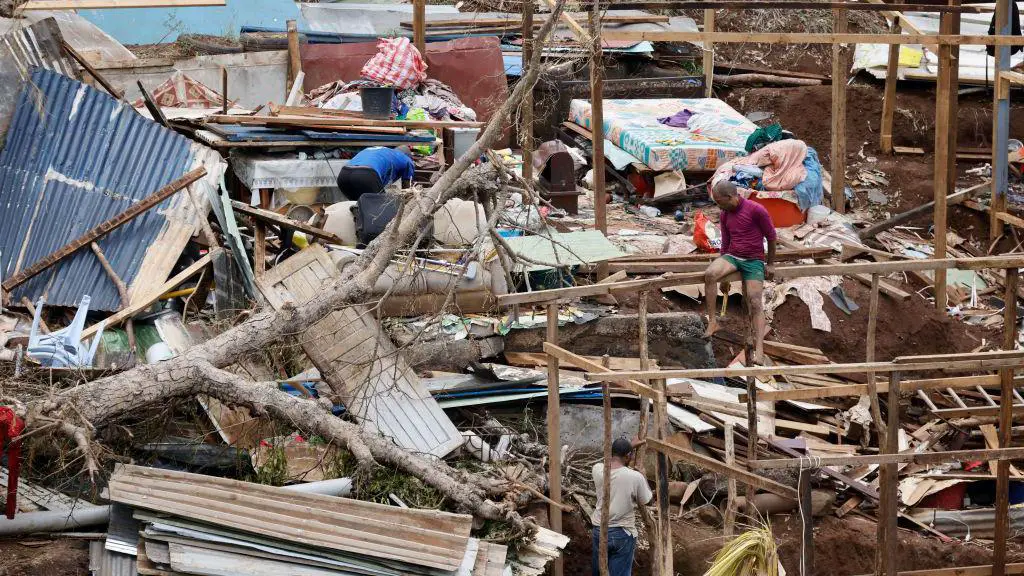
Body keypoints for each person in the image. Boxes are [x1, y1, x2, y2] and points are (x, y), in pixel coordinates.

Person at [703, 180, 777, 363]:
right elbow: (725, 243)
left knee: (755, 302)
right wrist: (724, 275)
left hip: (754, 260)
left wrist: (771, 264)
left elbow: (772, 236)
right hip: (733, 256)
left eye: (720, 202)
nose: (718, 206)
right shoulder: (724, 214)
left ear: (730, 197)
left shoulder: (756, 210)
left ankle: (759, 348)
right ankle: (713, 321)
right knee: (710, 274)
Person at [591, 437, 652, 576]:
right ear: (628, 456)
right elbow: (648, 501)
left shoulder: (598, 470)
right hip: (622, 533)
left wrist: (629, 447)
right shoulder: (635, 477)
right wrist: (644, 476)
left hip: (599, 530)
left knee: (599, 571)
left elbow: (609, 460)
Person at [336, 145, 415, 200]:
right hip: (366, 175)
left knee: (360, 207)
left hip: (343, 175)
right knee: (380, 210)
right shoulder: (406, 159)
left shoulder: (385, 152)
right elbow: (407, 191)